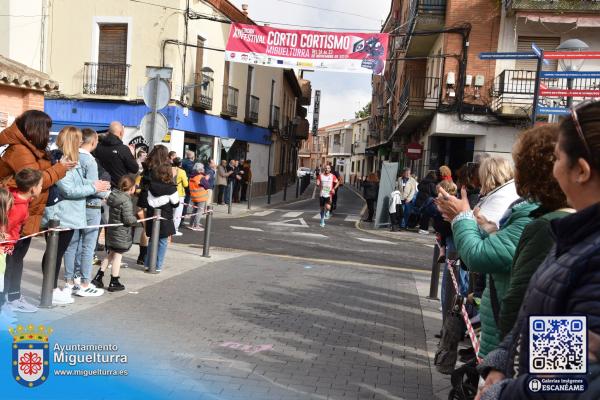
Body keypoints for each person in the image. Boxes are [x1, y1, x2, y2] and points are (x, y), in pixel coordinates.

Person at [475, 102, 600, 400]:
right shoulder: (577, 239)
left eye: (557, 158)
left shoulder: (592, 257)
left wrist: (502, 393)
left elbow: (571, 382)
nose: (552, 170)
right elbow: (550, 334)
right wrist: (502, 362)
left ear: (580, 170)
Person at [436, 156, 537, 358]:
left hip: (512, 343)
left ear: (581, 171)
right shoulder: (545, 215)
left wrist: (462, 218)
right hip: (507, 340)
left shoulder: (540, 218)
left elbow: (479, 256)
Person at [0, 111, 74, 312]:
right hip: (15, 211)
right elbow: (36, 180)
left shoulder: (31, 148)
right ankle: (9, 299)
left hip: (28, 210)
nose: (49, 132)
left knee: (16, 257)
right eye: (47, 128)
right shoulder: (21, 151)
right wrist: (60, 168)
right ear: (36, 129)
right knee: (11, 259)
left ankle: (12, 296)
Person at [42, 126, 111, 305]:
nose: (81, 142)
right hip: (62, 215)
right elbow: (69, 189)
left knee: (59, 252)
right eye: (78, 139)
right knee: (54, 254)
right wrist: (96, 187)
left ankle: (55, 288)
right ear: (73, 141)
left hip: (68, 214)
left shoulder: (70, 160)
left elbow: (78, 183)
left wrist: (96, 185)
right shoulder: (62, 160)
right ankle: (50, 290)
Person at [63, 128, 108, 297]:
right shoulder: (90, 161)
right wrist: (105, 191)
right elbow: (94, 188)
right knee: (88, 246)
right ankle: (84, 283)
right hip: (91, 206)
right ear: (93, 142)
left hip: (75, 204)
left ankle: (69, 280)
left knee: (72, 244)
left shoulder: (72, 156)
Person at [91, 175, 139, 292]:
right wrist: (135, 220)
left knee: (111, 254)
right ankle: (114, 281)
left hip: (113, 232)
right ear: (131, 188)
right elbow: (128, 219)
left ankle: (99, 276)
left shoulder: (114, 196)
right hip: (121, 233)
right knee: (117, 256)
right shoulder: (126, 201)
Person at [136, 144, 170, 264]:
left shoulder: (147, 165)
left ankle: (142, 256)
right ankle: (146, 258)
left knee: (147, 229)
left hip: (143, 198)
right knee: (152, 230)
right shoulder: (161, 169)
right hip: (153, 200)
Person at [145, 163, 179, 272]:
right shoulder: (171, 188)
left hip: (152, 214)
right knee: (163, 241)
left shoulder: (150, 185)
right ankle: (157, 266)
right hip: (165, 216)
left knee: (152, 240)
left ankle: (148, 264)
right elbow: (175, 203)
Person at [94, 121, 138, 188]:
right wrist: (132, 154)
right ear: (121, 133)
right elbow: (135, 169)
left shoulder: (98, 147)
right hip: (119, 187)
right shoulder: (123, 149)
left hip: (102, 186)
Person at [0, 188, 14, 325]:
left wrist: (8, 246)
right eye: (9, 204)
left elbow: (6, 249)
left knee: (1, 292)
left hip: (1, 266)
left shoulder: (4, 223)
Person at [187, 163, 210, 231]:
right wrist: (206, 179)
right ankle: (196, 225)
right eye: (202, 168)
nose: (203, 169)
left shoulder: (191, 176)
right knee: (199, 211)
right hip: (201, 197)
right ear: (200, 170)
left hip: (194, 196)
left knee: (194, 210)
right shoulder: (200, 177)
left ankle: (191, 224)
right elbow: (207, 186)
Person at [171, 157, 188, 236]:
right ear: (180, 163)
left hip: (169, 191)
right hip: (179, 193)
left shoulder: (168, 169)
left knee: (170, 212)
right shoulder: (181, 171)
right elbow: (185, 184)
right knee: (177, 212)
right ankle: (175, 229)